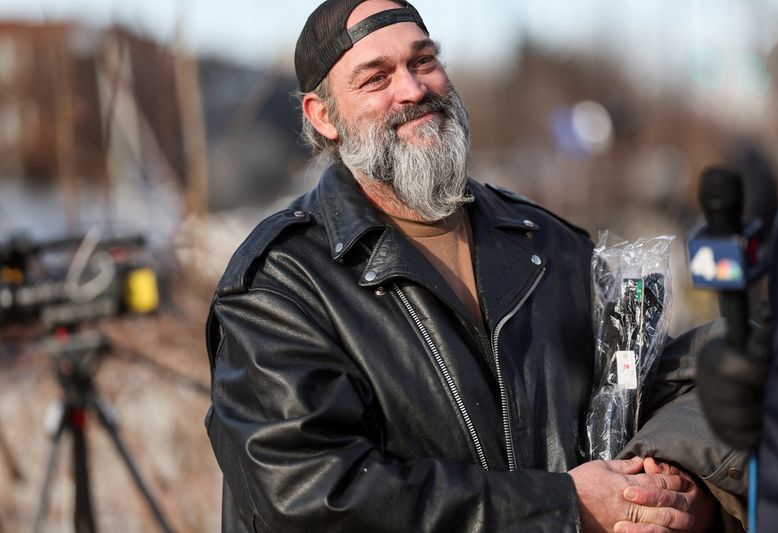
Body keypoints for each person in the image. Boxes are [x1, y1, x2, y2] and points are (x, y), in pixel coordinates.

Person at [205, 1, 745, 531]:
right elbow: (313, 497)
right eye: (376, 78)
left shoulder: (548, 243)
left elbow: (660, 383)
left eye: (423, 61)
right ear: (323, 117)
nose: (414, 89)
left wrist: (677, 490)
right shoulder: (280, 286)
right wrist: (561, 506)